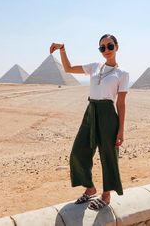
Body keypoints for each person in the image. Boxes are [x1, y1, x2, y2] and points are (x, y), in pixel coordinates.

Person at [49, 34, 129, 210]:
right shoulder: (94, 66)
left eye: (109, 46)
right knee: (78, 151)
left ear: (117, 47)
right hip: (91, 111)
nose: (106, 50)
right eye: (102, 47)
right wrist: (62, 49)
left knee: (108, 156)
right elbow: (68, 68)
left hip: (108, 114)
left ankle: (106, 195)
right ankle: (90, 188)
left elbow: (121, 103)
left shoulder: (122, 74)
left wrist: (121, 130)